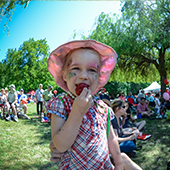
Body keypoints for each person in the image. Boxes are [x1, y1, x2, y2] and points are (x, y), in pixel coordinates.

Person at [47, 39, 123, 169]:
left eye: (92, 70)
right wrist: (77, 111)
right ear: (65, 75)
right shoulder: (60, 104)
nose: (83, 76)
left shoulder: (103, 108)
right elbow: (60, 145)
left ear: (99, 77)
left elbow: (111, 139)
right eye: (76, 68)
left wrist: (119, 163)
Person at [49, 141, 142, 170]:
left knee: (122, 157)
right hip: (89, 161)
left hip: (102, 158)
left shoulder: (107, 119)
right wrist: (55, 145)